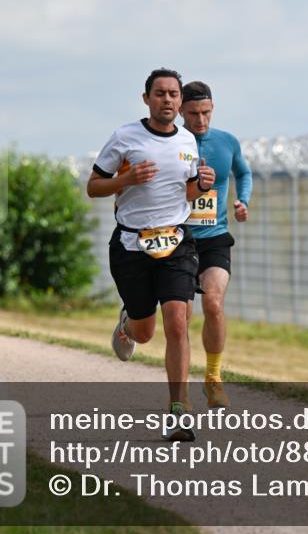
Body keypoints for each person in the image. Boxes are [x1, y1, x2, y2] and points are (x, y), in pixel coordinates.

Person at [87, 67, 216, 441]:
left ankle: (179, 411)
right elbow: (93, 187)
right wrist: (126, 180)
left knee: (177, 321)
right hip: (132, 244)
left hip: (176, 241)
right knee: (145, 333)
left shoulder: (189, 141)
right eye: (160, 94)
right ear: (146, 99)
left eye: (174, 95)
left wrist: (200, 184)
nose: (168, 100)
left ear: (180, 101)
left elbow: (188, 193)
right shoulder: (125, 137)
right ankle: (129, 323)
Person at [180, 81, 253, 409]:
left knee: (214, 304)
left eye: (206, 112)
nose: (201, 120)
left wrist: (243, 201)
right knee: (181, 316)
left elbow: (244, 173)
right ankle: (179, 391)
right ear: (181, 110)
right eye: (194, 113)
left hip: (214, 238)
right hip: (177, 239)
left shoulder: (227, 141)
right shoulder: (171, 142)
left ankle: (213, 378)